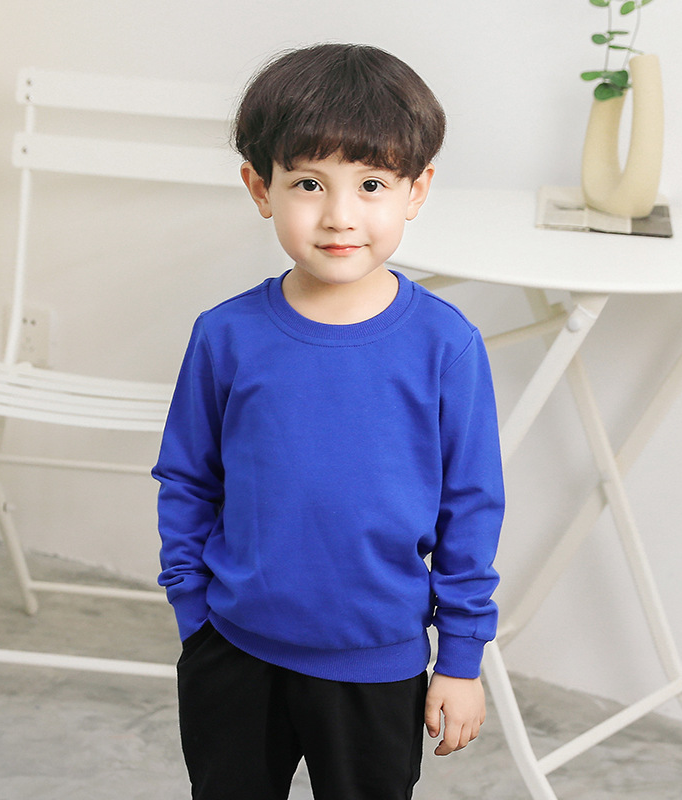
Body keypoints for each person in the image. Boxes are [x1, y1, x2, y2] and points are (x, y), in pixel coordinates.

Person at [152, 42, 505, 800]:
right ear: (260, 187)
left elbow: (471, 508)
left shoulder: (446, 346)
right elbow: (187, 478)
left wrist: (461, 659)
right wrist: (193, 612)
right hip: (233, 652)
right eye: (309, 183)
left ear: (416, 190)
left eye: (372, 184)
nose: (340, 216)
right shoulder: (226, 335)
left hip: (377, 664)